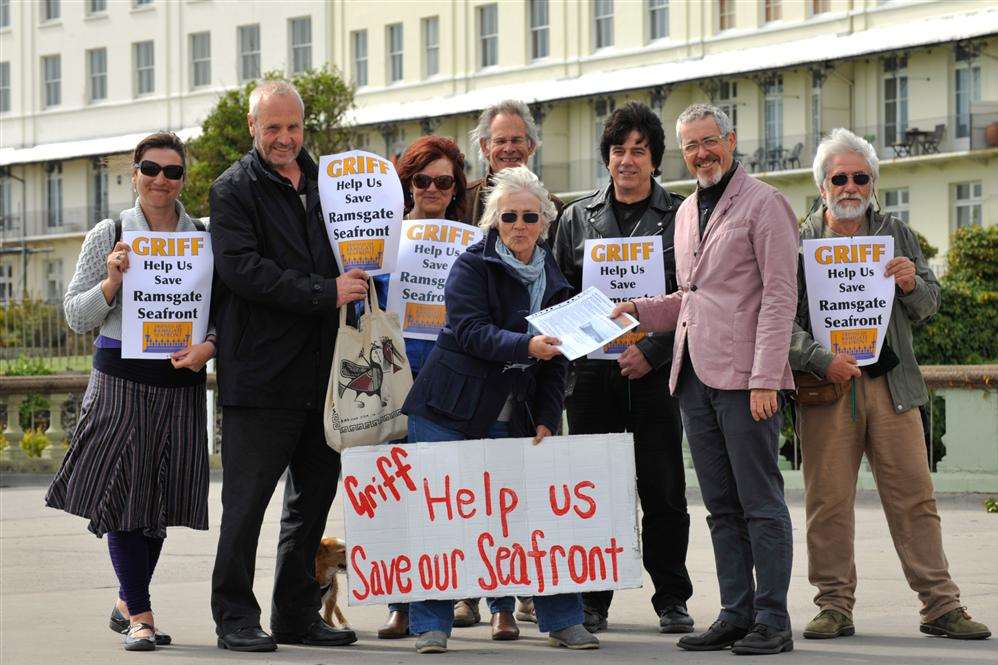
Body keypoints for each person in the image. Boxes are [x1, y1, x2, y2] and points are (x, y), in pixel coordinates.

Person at [789, 128, 991, 641]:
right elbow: (778, 321)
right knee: (827, 502)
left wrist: (910, 282)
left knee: (915, 498)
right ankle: (834, 605)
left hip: (892, 387)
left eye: (861, 176)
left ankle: (940, 606)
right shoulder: (799, 240)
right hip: (828, 388)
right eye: (840, 177)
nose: (851, 185)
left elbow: (929, 306)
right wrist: (819, 356)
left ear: (874, 182)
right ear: (823, 186)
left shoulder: (896, 233)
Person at [612, 103, 798, 656]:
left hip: (747, 380)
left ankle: (773, 618)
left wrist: (767, 378)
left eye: (709, 141)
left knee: (760, 502)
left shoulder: (766, 204)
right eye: (691, 146)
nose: (702, 153)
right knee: (719, 505)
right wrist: (636, 310)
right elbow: (693, 299)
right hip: (693, 376)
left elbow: (780, 298)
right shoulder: (689, 209)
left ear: (732, 140)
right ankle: (736, 612)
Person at [401, 166, 597, 654]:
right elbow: (469, 331)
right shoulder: (471, 264)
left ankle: (563, 619)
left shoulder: (555, 276)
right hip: (448, 410)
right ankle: (430, 624)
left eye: (530, 216)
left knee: (539, 519)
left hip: (519, 415)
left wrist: (550, 419)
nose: (520, 224)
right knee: (438, 519)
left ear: (545, 222)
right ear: (494, 220)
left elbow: (559, 360)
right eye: (508, 215)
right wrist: (529, 345)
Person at [208, 80, 366, 652]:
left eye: (292, 127)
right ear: (253, 128)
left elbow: (359, 248)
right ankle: (235, 618)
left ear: (305, 128)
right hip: (260, 378)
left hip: (325, 376)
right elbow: (242, 271)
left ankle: (297, 615)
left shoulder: (332, 184)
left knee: (311, 503)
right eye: (271, 128)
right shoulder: (232, 190)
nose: (283, 138)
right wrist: (325, 292)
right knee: (245, 507)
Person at [46, 132, 215, 652]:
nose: (160, 180)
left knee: (159, 499)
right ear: (134, 173)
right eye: (150, 168)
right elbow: (75, 316)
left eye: (172, 171)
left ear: (184, 178)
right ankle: (140, 614)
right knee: (122, 495)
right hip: (119, 378)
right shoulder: (111, 232)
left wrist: (211, 345)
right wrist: (111, 282)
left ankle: (126, 601)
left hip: (178, 380)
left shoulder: (204, 237)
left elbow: (227, 311)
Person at [554, 101, 693, 634]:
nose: (628, 160)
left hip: (655, 372)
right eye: (618, 150)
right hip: (590, 377)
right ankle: (593, 600)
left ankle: (672, 598)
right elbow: (561, 292)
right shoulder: (574, 217)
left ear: (655, 159)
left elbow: (690, 296)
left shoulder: (680, 215)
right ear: (606, 158)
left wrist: (653, 350)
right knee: (595, 491)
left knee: (663, 490)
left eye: (639, 150)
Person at [376, 135, 469, 640]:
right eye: (422, 179)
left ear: (456, 188)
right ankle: (400, 602)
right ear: (407, 182)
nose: (432, 188)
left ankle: (442, 596)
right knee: (395, 492)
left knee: (441, 496)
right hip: (393, 374)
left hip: (448, 377)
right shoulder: (383, 239)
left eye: (444, 181)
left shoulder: (472, 240)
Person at [464, 99, 564, 252]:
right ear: (485, 147)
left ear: (530, 146)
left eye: (517, 140)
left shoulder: (554, 209)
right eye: (500, 141)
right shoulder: (464, 201)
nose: (509, 148)